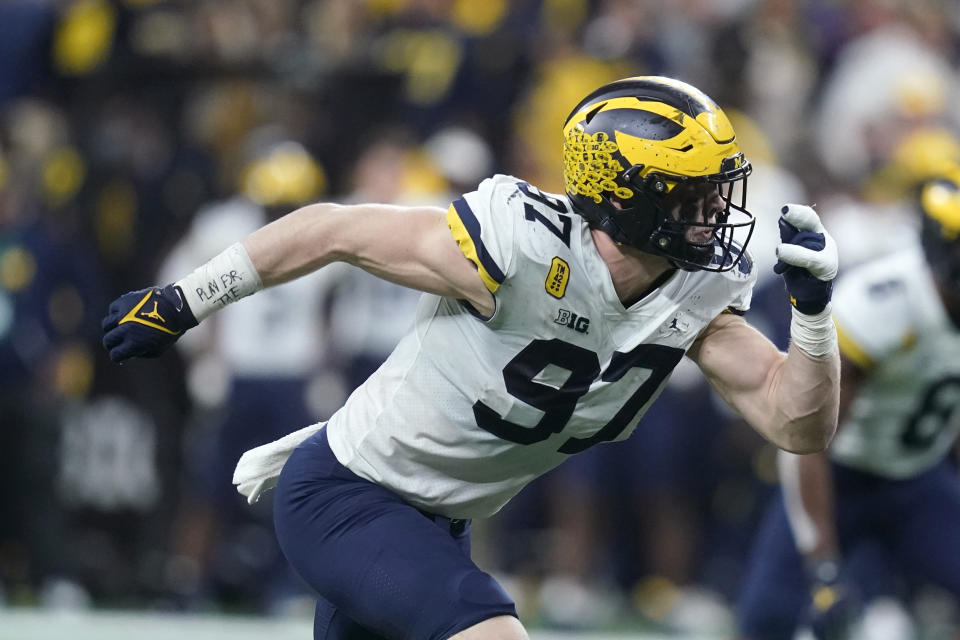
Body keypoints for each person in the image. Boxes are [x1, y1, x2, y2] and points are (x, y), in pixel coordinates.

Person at [101, 76, 840, 640]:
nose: (717, 213)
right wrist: (184, 300)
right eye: (693, 194)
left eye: (717, 191)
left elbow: (795, 421)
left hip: (434, 523)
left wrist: (813, 318)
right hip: (348, 495)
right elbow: (335, 228)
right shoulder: (520, 243)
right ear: (627, 195)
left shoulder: (696, 291)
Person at [736, 164, 960, 640]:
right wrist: (823, 565)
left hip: (918, 474)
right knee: (766, 620)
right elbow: (811, 434)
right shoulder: (885, 304)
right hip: (839, 474)